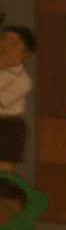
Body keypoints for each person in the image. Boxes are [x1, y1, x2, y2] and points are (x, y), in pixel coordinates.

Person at [0, 25, 36, 171]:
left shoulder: (22, 79)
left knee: (3, 169)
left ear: (26, 54)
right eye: (2, 39)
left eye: (13, 44)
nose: (4, 46)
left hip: (7, 127)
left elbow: (2, 101)